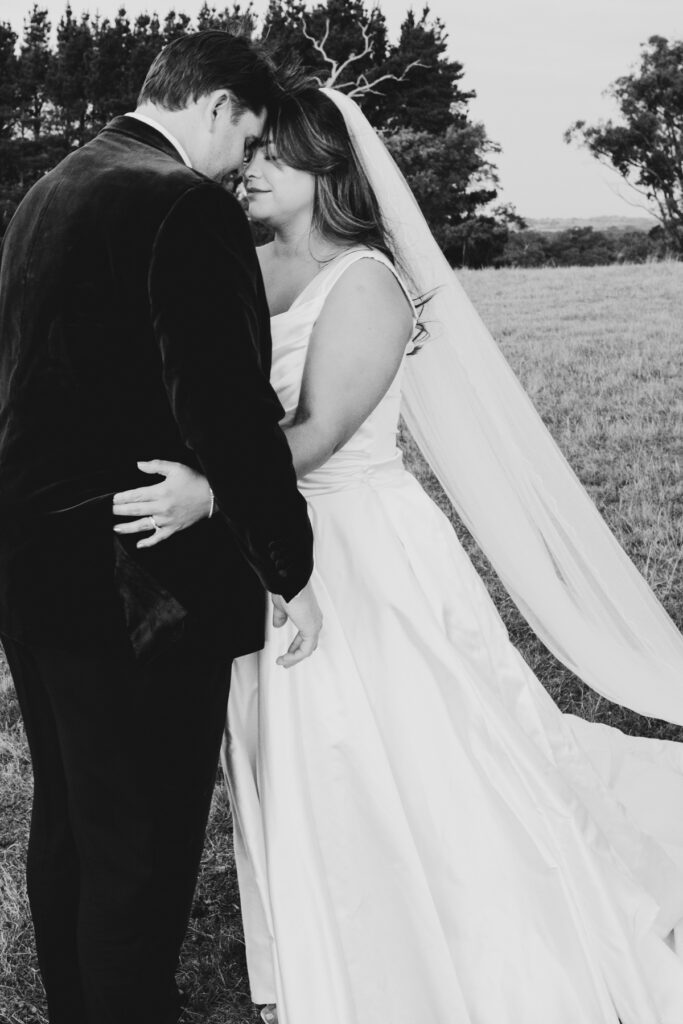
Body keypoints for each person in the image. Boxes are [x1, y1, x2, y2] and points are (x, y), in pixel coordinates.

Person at [112, 87, 683, 1024]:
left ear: (327, 169)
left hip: (359, 544)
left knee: (404, 747)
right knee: (294, 754)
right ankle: (333, 938)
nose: (246, 170)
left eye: (271, 158)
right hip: (269, 547)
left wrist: (211, 489)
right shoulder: (240, 263)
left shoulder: (367, 281)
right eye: (246, 154)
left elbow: (321, 428)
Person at [0, 33, 322, 1024]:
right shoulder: (177, 201)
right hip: (140, 581)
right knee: (139, 841)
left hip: (35, 569)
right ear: (219, 108)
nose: (242, 165)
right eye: (250, 137)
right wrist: (287, 562)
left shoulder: (52, 190)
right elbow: (224, 403)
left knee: (73, 821)